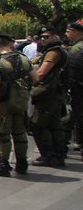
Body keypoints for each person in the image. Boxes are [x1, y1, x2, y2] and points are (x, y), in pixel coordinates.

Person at [0, 32, 36, 176]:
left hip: (4, 103)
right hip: (20, 101)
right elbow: (35, 78)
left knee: (4, 135)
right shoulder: (24, 60)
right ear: (11, 43)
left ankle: (3, 165)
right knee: (20, 133)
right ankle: (22, 163)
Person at [29, 25, 68, 167]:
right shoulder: (52, 50)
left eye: (47, 36)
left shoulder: (53, 52)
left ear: (55, 36)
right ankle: (59, 154)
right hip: (54, 93)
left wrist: (28, 84)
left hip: (48, 93)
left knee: (37, 124)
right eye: (41, 37)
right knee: (54, 124)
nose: (43, 39)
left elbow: (41, 73)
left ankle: (49, 155)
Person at [64, 21, 83, 150]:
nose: (66, 34)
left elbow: (72, 70)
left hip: (78, 88)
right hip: (77, 87)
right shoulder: (76, 46)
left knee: (76, 116)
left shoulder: (77, 48)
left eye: (68, 31)